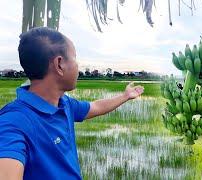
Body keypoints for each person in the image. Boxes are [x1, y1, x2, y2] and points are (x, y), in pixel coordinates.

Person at [0, 27, 144, 180]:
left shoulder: (64, 104)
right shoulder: (13, 122)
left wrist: (125, 96)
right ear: (59, 64)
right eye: (75, 58)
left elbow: (95, 107)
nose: (78, 66)